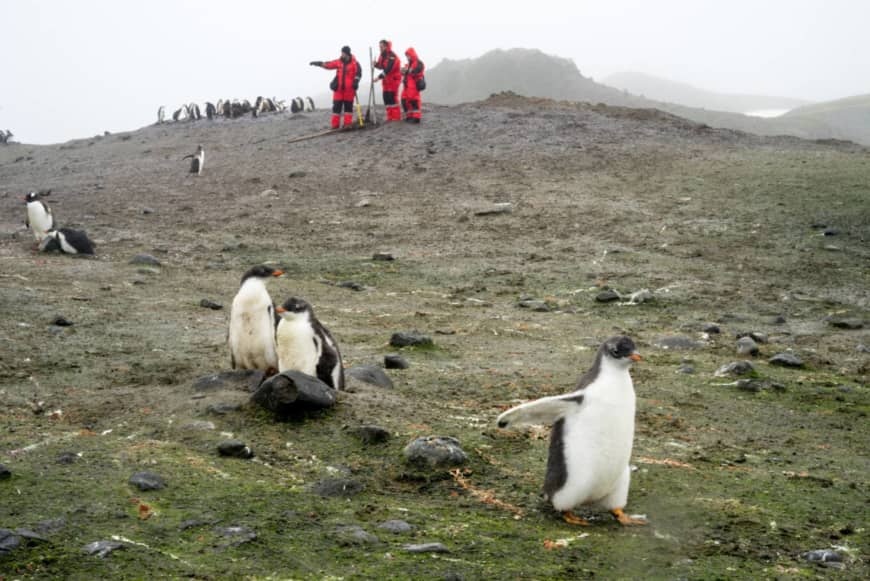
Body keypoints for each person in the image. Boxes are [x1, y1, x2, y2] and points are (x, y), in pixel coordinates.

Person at [310, 46, 362, 129]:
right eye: (342, 53)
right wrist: (319, 63)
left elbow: (358, 73)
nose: (342, 54)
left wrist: (356, 82)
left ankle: (347, 124)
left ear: (347, 53)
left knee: (348, 108)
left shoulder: (355, 63)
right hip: (338, 90)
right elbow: (329, 65)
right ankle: (335, 125)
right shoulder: (339, 62)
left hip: (349, 90)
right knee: (336, 108)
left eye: (343, 53)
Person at [373, 39, 402, 122]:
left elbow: (388, 69)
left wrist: (379, 77)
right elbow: (381, 66)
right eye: (379, 47)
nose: (380, 48)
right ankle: (390, 117)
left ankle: (396, 118)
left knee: (392, 98)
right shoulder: (382, 55)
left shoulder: (392, 56)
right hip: (386, 81)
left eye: (381, 47)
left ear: (386, 46)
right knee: (386, 98)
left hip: (393, 80)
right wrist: (375, 64)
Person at [400, 47, 425, 123]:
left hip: (414, 85)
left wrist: (407, 70)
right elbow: (405, 72)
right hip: (407, 85)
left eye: (408, 55)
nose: (407, 57)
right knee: (404, 100)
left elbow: (417, 70)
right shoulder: (409, 64)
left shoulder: (418, 62)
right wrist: (402, 71)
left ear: (412, 55)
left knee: (414, 100)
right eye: (406, 56)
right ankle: (409, 116)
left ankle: (416, 118)